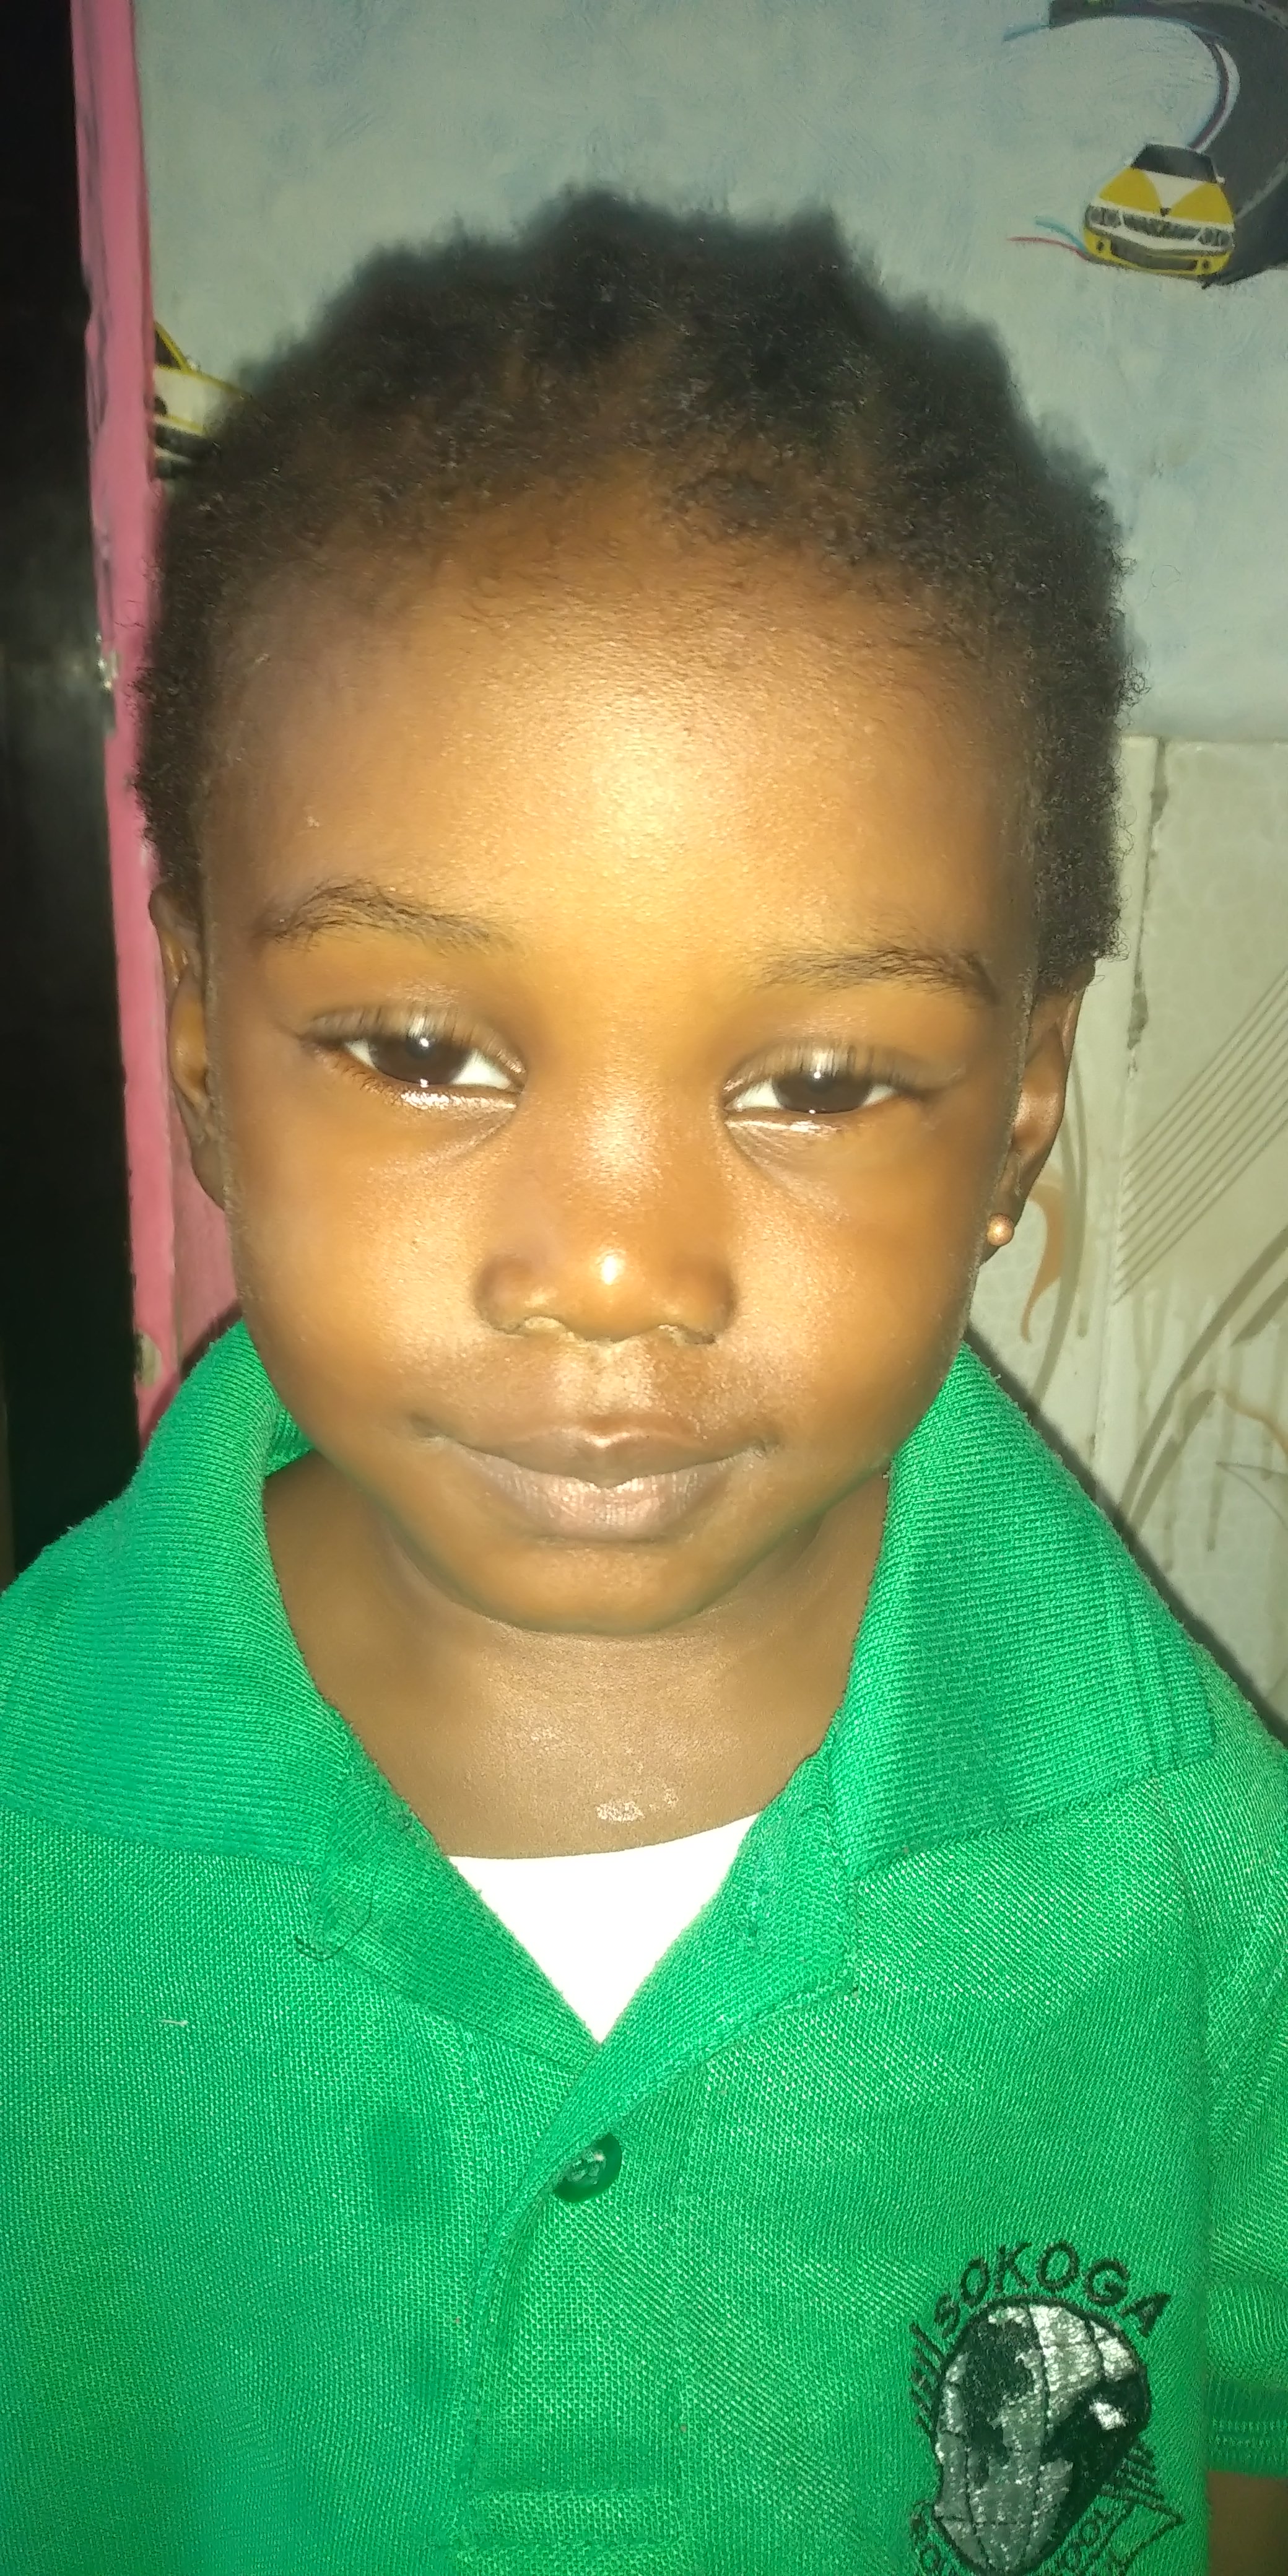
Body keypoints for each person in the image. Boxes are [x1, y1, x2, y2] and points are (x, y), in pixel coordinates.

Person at [1, 193, 1283, 2576]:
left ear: (1018, 1115)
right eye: (421, 1049)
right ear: (196, 1039)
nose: (613, 1275)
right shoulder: (30, 1816)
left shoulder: (1198, 1865)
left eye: (819, 1083)